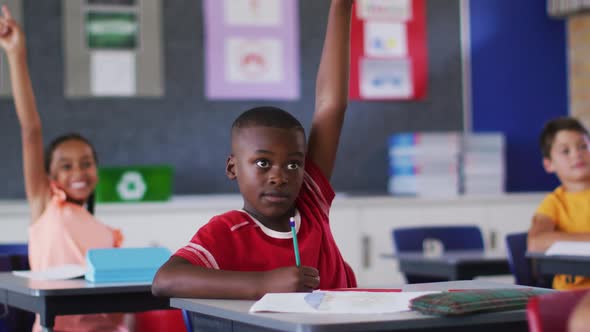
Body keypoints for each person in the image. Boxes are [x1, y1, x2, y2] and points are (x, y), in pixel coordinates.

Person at [152, 0, 356, 299]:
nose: (279, 176)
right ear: (232, 167)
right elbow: (164, 281)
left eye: (293, 165)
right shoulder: (227, 231)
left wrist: (341, 7)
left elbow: (331, 106)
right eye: (262, 164)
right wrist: (263, 285)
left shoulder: (311, 202)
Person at [0, 6, 127, 331]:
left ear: (97, 171)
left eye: (86, 163)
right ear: (51, 177)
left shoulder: (107, 235)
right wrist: (16, 53)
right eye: (66, 166)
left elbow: (124, 309)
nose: (78, 172)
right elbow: (31, 130)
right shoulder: (46, 205)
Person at [528, 117, 590, 290]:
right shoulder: (554, 203)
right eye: (565, 151)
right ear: (549, 164)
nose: (577, 154)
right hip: (572, 297)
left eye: (583, 147)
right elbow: (536, 242)